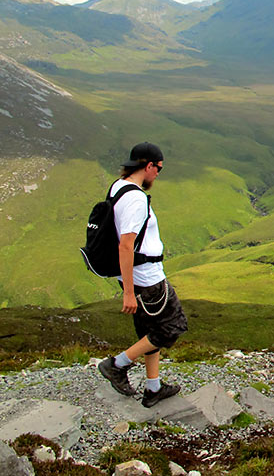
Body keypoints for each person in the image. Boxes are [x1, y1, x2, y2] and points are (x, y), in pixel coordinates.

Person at [97, 142, 188, 408]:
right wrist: (128, 292)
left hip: (135, 277)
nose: (158, 174)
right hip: (147, 279)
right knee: (173, 326)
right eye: (158, 169)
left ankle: (153, 387)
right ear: (148, 165)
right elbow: (125, 244)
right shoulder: (136, 198)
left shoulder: (118, 187)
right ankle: (117, 365)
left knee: (150, 333)